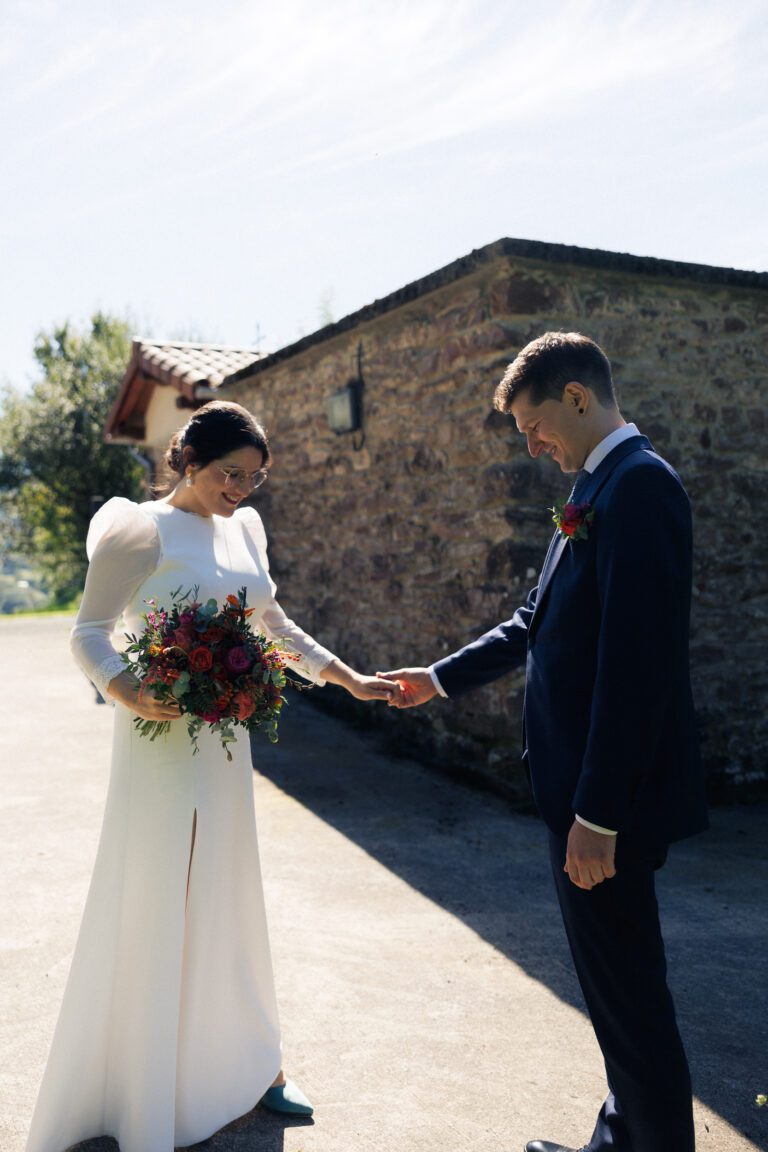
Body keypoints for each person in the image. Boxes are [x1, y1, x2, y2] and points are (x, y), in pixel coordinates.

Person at [26, 400, 400, 1152]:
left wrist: (346, 677)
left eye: (255, 479)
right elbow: (88, 632)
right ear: (189, 457)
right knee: (165, 892)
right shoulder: (138, 528)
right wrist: (128, 689)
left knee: (230, 892)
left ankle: (254, 1066)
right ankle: (147, 1086)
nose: (243, 491)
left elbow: (271, 624)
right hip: (157, 737)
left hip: (228, 743)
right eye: (233, 474)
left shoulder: (247, 529)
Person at [378, 332, 707, 1152]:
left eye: (532, 427)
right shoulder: (597, 487)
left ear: (576, 397)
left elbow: (639, 667)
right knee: (612, 988)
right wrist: (439, 676)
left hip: (609, 807)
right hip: (579, 796)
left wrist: (598, 813)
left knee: (632, 997)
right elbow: (536, 620)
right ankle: (623, 1134)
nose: (531, 446)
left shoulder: (641, 490)